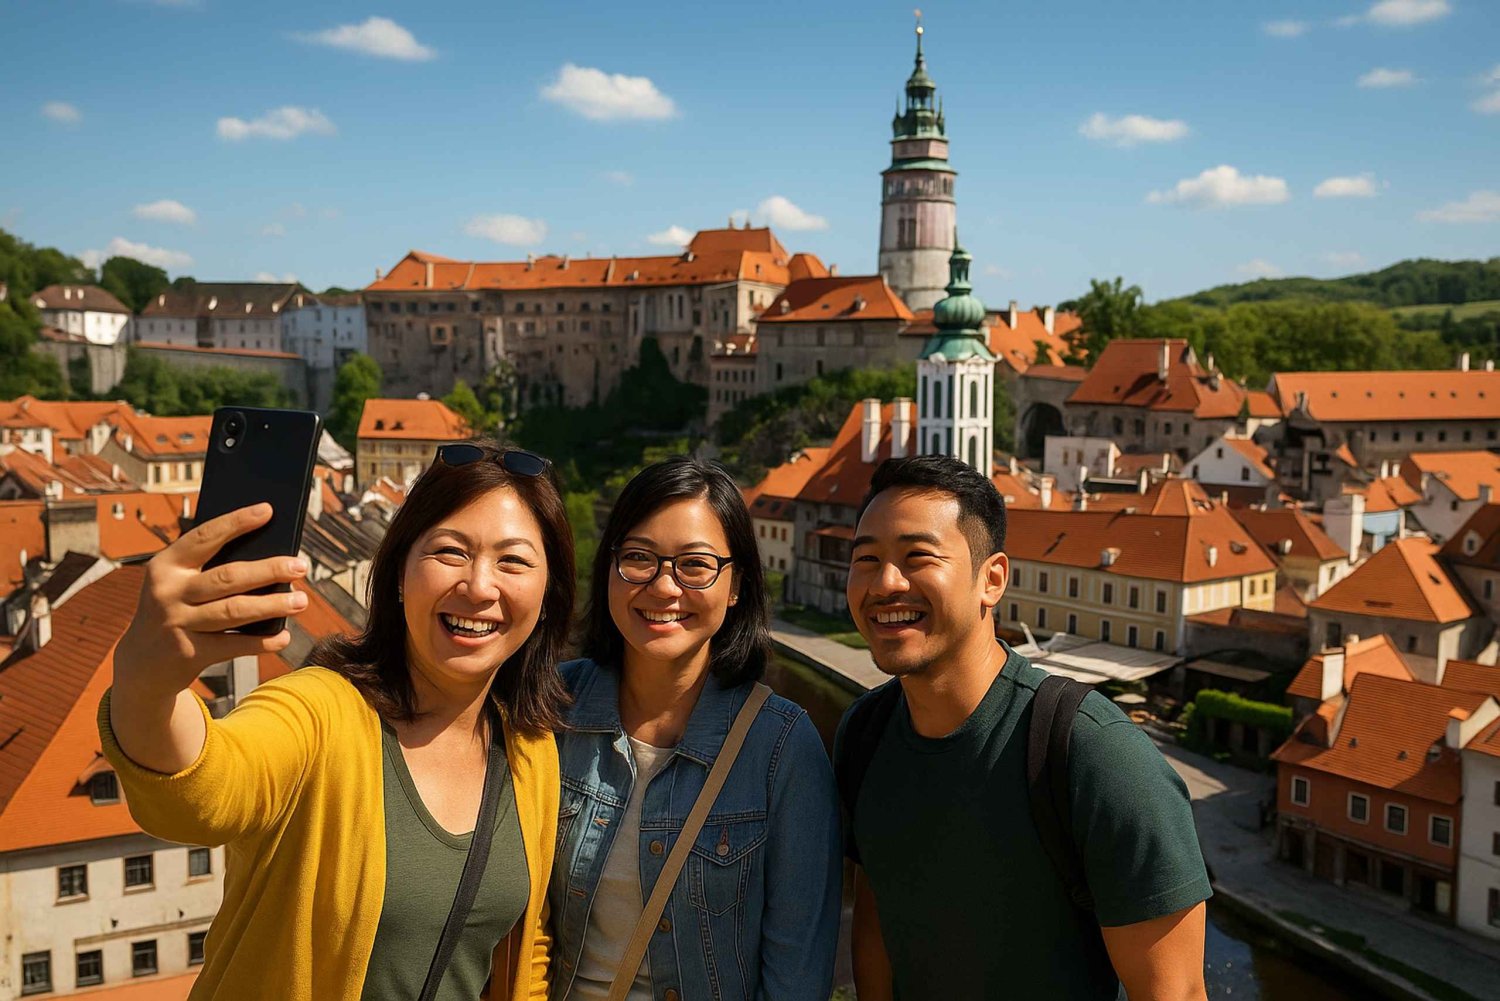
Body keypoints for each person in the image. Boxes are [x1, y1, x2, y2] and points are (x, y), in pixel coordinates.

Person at [99, 441, 573, 1000]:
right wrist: (147, 681)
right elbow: (203, 789)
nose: (478, 586)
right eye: (450, 552)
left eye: (513, 560)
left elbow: (526, 949)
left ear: (547, 596)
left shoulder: (529, 748)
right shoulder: (318, 711)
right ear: (398, 574)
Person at [837, 454, 1211, 1001]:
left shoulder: (1095, 754)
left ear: (992, 580)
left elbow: (1175, 994)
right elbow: (878, 930)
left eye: (918, 556)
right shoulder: (865, 733)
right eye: (866, 559)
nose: (885, 583)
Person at [548, 456, 841, 1001]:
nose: (663, 587)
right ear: (607, 569)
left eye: (695, 565)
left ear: (736, 588)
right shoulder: (550, 710)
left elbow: (796, 973)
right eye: (638, 558)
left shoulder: (780, 747)